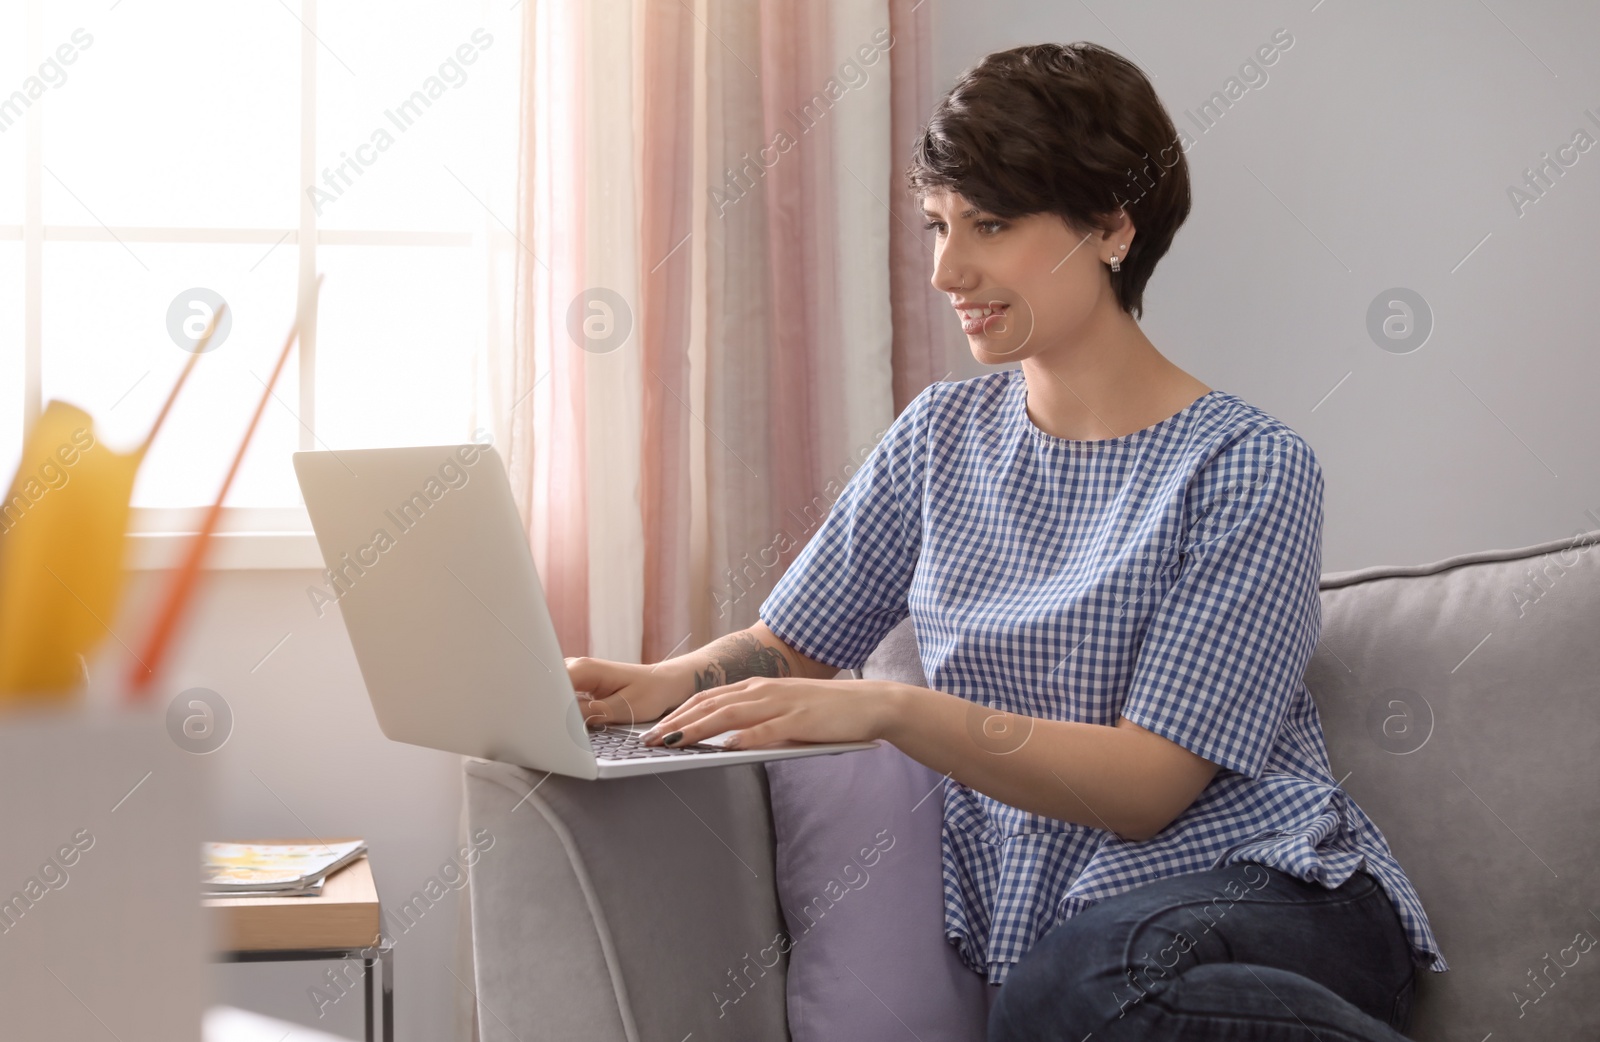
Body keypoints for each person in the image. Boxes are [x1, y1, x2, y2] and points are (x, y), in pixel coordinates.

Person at [567, 41, 1446, 1042]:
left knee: (1085, 984)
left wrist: (893, 707)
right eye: (938, 224)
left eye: (989, 223)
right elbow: (791, 645)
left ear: (1113, 225)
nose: (947, 269)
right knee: (1071, 985)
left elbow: (1144, 788)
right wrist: (661, 682)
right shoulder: (939, 437)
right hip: (1080, 952)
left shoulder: (1246, 467)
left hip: (1265, 902)